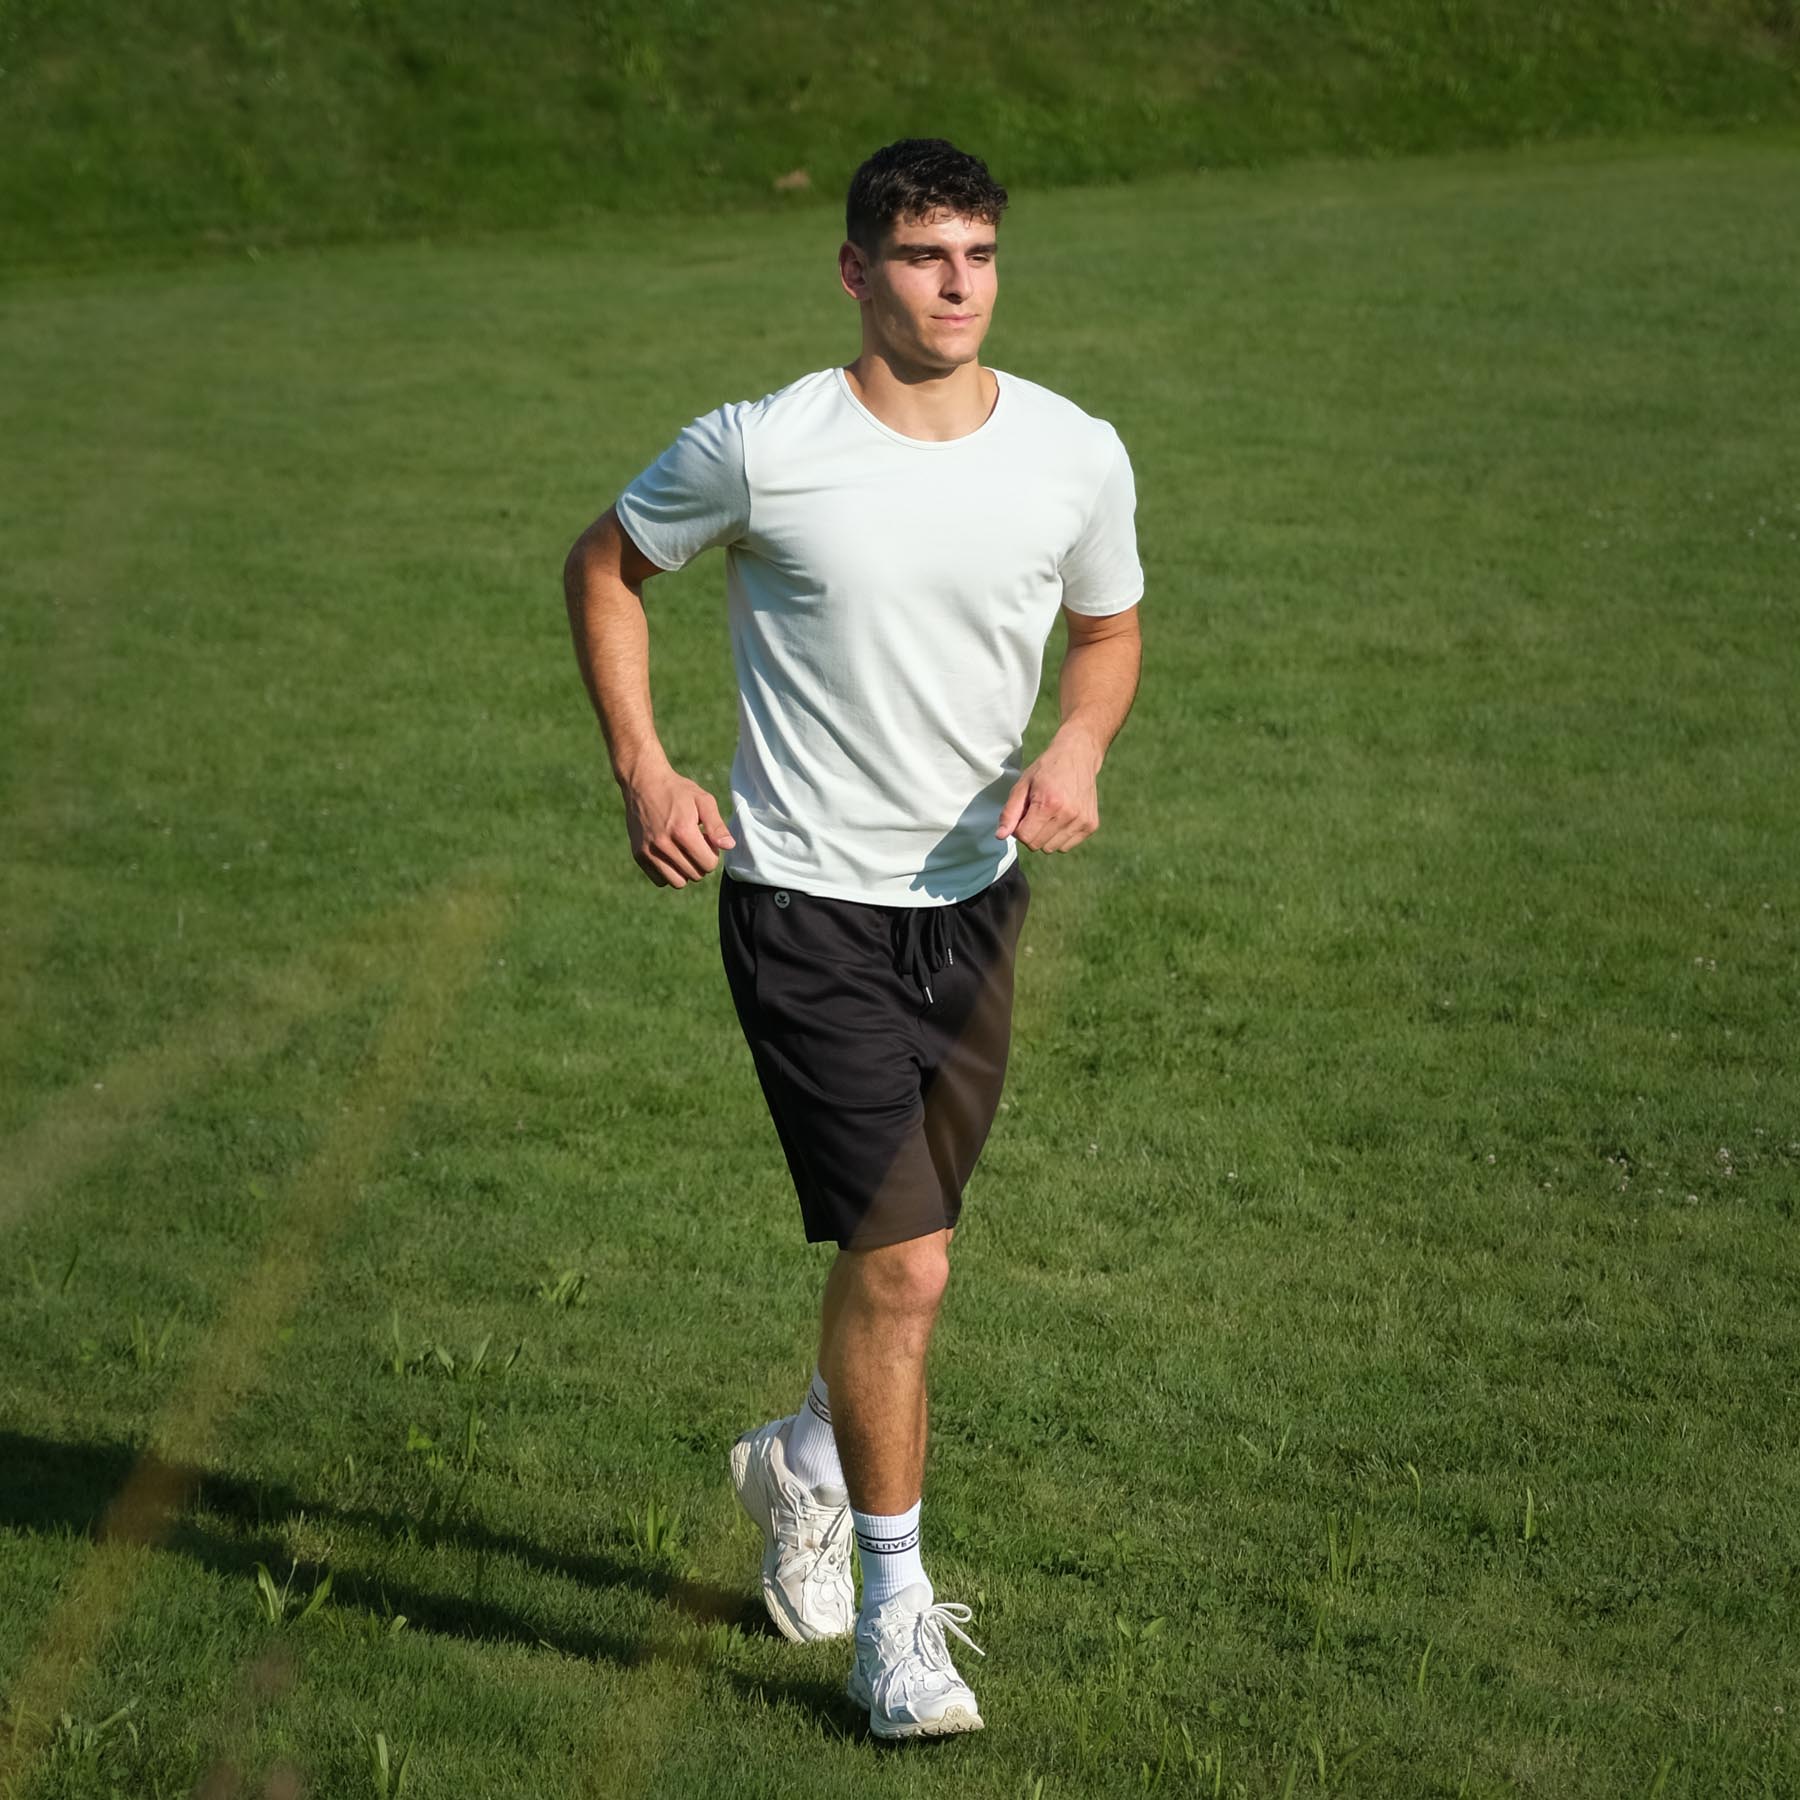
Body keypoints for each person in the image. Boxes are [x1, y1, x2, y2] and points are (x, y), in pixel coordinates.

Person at [562, 137, 1143, 1740]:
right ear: (854, 272)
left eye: (977, 256)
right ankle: (896, 1617)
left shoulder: (1074, 453)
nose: (956, 285)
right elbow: (605, 564)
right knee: (908, 1262)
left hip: (975, 900)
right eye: (921, 256)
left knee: (905, 1268)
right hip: (804, 902)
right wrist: (646, 766)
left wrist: (1080, 744)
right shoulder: (765, 447)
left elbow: (1108, 629)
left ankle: (805, 1457)